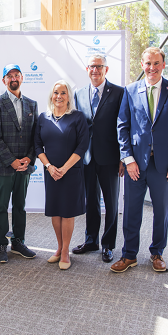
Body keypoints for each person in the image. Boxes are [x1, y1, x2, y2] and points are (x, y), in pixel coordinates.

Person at [111, 47, 168, 273]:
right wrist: (128, 159)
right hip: (135, 163)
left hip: (164, 165)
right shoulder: (130, 90)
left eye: (156, 63)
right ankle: (129, 255)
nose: (152, 68)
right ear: (142, 65)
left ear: (163, 65)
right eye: (148, 63)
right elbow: (122, 126)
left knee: (161, 211)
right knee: (131, 211)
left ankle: (157, 253)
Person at [72, 54, 125, 263]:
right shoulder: (79, 93)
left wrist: (123, 157)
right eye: (92, 67)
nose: (95, 70)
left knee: (111, 203)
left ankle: (108, 245)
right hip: (87, 157)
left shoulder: (119, 92)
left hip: (110, 157)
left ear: (106, 69)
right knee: (91, 202)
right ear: (87, 69)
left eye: (99, 66)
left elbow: (124, 126)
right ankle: (91, 240)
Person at [35, 80, 89, 270]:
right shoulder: (43, 118)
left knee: (67, 212)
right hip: (51, 173)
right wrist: (49, 166)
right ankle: (58, 248)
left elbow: (82, 146)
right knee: (55, 210)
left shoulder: (77, 117)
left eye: (63, 93)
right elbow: (37, 146)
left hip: (71, 172)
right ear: (51, 95)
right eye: (56, 92)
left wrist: (64, 169)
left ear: (69, 96)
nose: (59, 96)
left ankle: (65, 251)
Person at [0, 64, 38, 263]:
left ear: (22, 78)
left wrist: (29, 158)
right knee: (1, 206)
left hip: (24, 167)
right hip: (3, 166)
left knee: (20, 206)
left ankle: (18, 242)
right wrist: (12, 161)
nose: (13, 78)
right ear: (4, 81)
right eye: (9, 76)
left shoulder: (32, 104)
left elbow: (35, 137)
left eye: (16, 75)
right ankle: (1, 244)